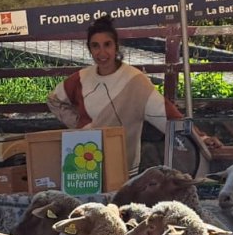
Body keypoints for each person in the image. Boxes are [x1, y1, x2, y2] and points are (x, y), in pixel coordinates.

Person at [48, 15, 193, 177]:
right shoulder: (81, 78)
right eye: (95, 46)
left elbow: (166, 115)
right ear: (89, 49)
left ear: (116, 47)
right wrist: (80, 126)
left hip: (125, 167)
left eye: (107, 45)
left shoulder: (135, 80)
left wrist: (200, 138)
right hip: (86, 167)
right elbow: (54, 100)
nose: (102, 52)